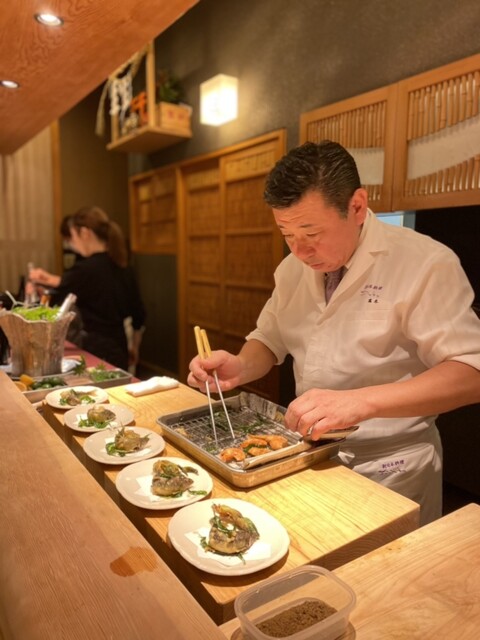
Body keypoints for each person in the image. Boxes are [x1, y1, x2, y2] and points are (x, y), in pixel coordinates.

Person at [188, 140, 480, 525]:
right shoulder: (293, 269)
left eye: (311, 232)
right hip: (310, 453)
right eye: (286, 234)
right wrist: (240, 366)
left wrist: (360, 402)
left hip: (392, 465)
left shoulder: (424, 262)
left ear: (356, 206)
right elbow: (270, 338)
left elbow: (471, 372)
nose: (300, 251)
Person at [30, 206, 146, 371]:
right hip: (120, 346)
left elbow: (58, 292)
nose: (72, 244)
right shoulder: (123, 266)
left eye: (73, 237)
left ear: (85, 233)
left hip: (96, 348)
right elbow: (139, 314)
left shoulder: (85, 269)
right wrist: (134, 346)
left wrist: (38, 286)